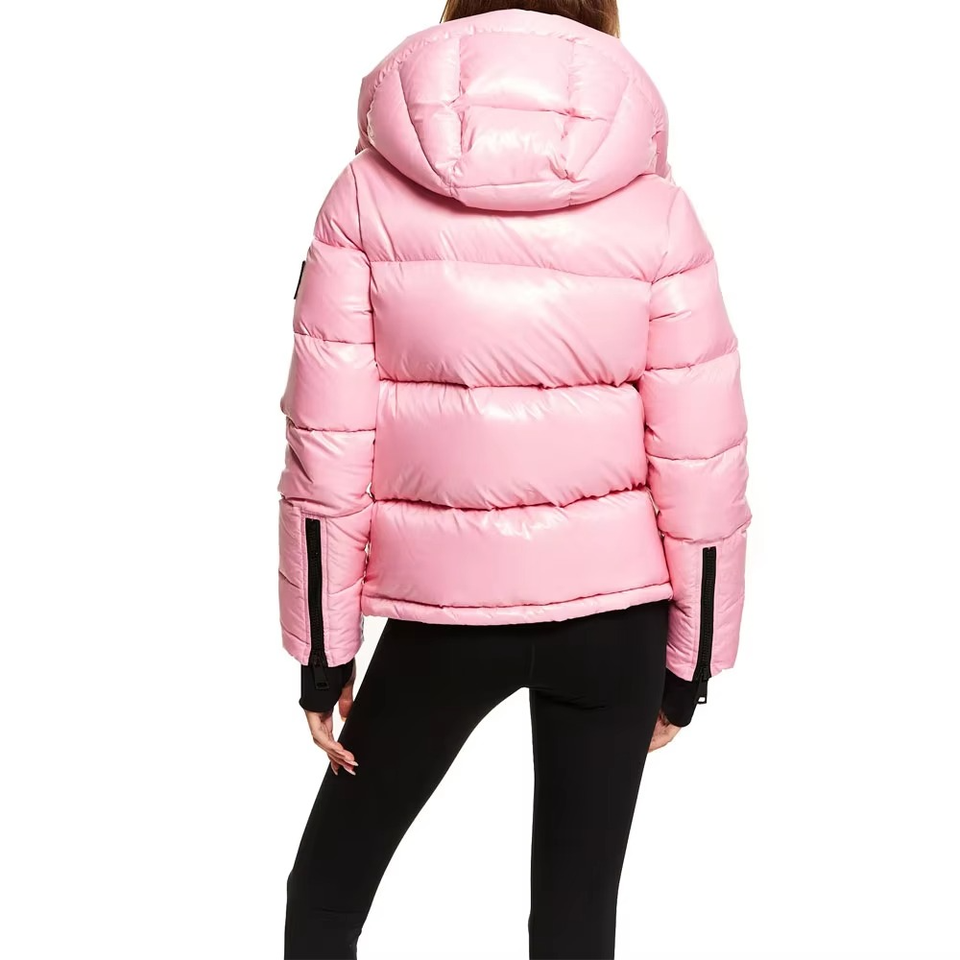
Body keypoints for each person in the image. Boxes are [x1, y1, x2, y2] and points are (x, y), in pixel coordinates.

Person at [277, 1, 750, 957]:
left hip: (441, 624)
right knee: (575, 922)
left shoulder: (365, 195)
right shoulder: (657, 208)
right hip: (615, 625)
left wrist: (325, 655)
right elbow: (703, 453)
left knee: (326, 893)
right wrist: (689, 665)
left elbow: (327, 442)